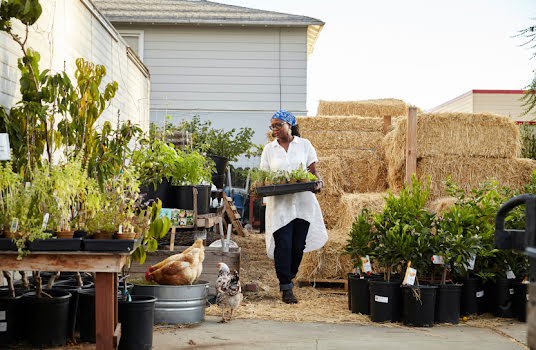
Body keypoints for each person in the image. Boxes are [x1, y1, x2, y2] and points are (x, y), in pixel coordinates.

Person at [259, 110, 328, 304]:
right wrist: (260, 188)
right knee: (284, 246)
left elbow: (313, 172)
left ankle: (289, 277)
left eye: (278, 125)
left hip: (303, 204)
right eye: (272, 126)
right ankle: (286, 287)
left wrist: (319, 183)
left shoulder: (304, 145)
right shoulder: (269, 150)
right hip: (280, 206)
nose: (275, 130)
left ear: (290, 125)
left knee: (298, 247)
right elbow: (264, 176)